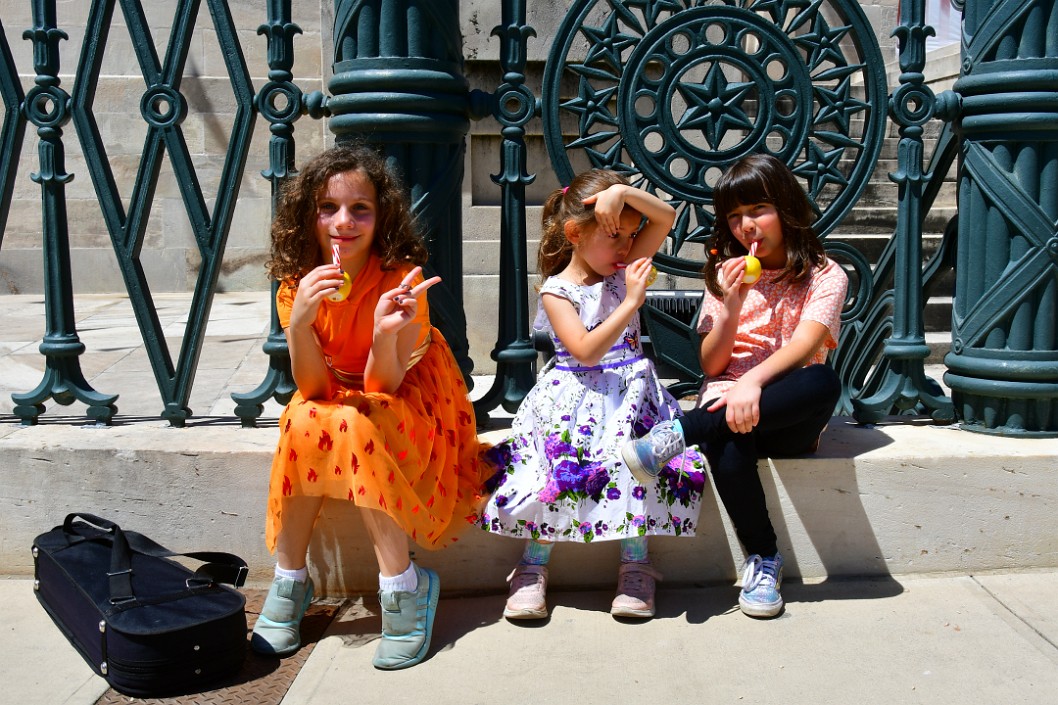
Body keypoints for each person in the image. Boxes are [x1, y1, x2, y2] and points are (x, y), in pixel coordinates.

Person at [251, 144, 491, 670]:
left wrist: (385, 333)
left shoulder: (400, 280)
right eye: (328, 208)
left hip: (410, 393)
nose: (344, 222)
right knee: (301, 418)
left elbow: (385, 385)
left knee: (359, 421)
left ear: (380, 216)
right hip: (338, 391)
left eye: (360, 208)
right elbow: (313, 389)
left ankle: (403, 583)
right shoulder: (298, 286)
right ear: (306, 216)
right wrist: (298, 326)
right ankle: (290, 579)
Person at [623, 153, 848, 618]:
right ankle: (764, 560)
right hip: (728, 407)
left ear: (786, 207)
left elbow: (806, 348)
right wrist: (731, 303)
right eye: (734, 216)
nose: (747, 225)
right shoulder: (725, 273)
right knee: (729, 445)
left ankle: (681, 433)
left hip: (789, 411)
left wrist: (751, 384)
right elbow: (710, 362)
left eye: (758, 210)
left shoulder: (826, 274)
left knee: (824, 380)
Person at [479, 169, 707, 620]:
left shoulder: (621, 268)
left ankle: (636, 566)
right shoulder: (556, 290)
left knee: (634, 466)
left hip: (630, 394)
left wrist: (621, 193)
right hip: (573, 401)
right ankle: (532, 565)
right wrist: (630, 304)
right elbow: (584, 352)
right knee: (554, 475)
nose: (625, 249)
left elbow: (666, 217)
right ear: (574, 234)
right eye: (613, 237)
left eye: (629, 237)